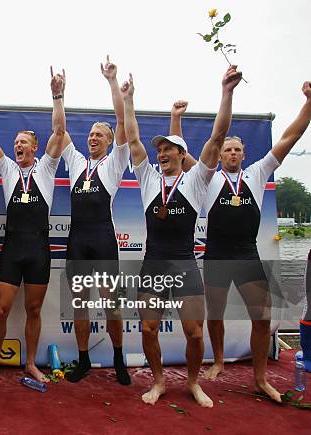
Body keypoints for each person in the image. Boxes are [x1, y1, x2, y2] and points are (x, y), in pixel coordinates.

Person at [172, 82, 311, 401]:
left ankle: (260, 379)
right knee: (216, 314)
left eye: (237, 150)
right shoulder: (209, 178)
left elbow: (290, 138)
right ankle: (219, 360)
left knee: (262, 316)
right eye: (227, 150)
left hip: (248, 254)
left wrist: (308, 104)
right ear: (219, 155)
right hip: (216, 255)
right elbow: (180, 154)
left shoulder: (258, 174)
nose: (232, 153)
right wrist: (177, 119)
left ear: (244, 155)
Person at [121, 65, 242, 407]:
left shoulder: (195, 181)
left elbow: (218, 138)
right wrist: (129, 100)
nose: (161, 153)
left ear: (180, 153)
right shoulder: (148, 179)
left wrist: (227, 92)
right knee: (148, 329)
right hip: (154, 263)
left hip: (185, 263)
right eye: (159, 149)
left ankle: (192, 383)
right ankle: (158, 382)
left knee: (194, 332)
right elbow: (132, 138)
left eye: (168, 149)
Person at [0, 70, 66, 382]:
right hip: (12, 247)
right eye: (15, 142)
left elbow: (59, 131)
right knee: (0, 310)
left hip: (39, 249)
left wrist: (57, 96)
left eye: (23, 142)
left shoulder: (46, 168)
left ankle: (30, 363)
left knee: (34, 311)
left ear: (35, 147)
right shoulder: (7, 168)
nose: (17, 145)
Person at [61, 55, 131, 384]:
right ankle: (84, 359)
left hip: (103, 240)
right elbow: (59, 131)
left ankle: (118, 358)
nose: (93, 138)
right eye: (90, 135)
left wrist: (112, 82)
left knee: (111, 305)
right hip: (78, 241)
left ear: (108, 142)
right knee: (80, 305)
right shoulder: (75, 162)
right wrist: (58, 96)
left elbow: (121, 120)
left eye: (99, 136)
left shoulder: (115, 163)